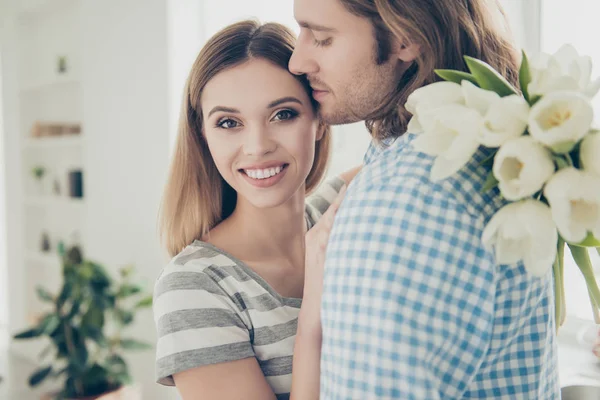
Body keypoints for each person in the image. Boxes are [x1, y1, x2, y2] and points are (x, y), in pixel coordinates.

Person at [289, 0, 559, 398]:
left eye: (323, 38)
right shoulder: (483, 152)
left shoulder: (400, 206)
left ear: (406, 37)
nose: (298, 60)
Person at [153, 20, 359, 400]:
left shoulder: (341, 208)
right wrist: (313, 309)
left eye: (283, 114)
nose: (257, 146)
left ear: (319, 120)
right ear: (203, 135)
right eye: (229, 122)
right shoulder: (193, 287)